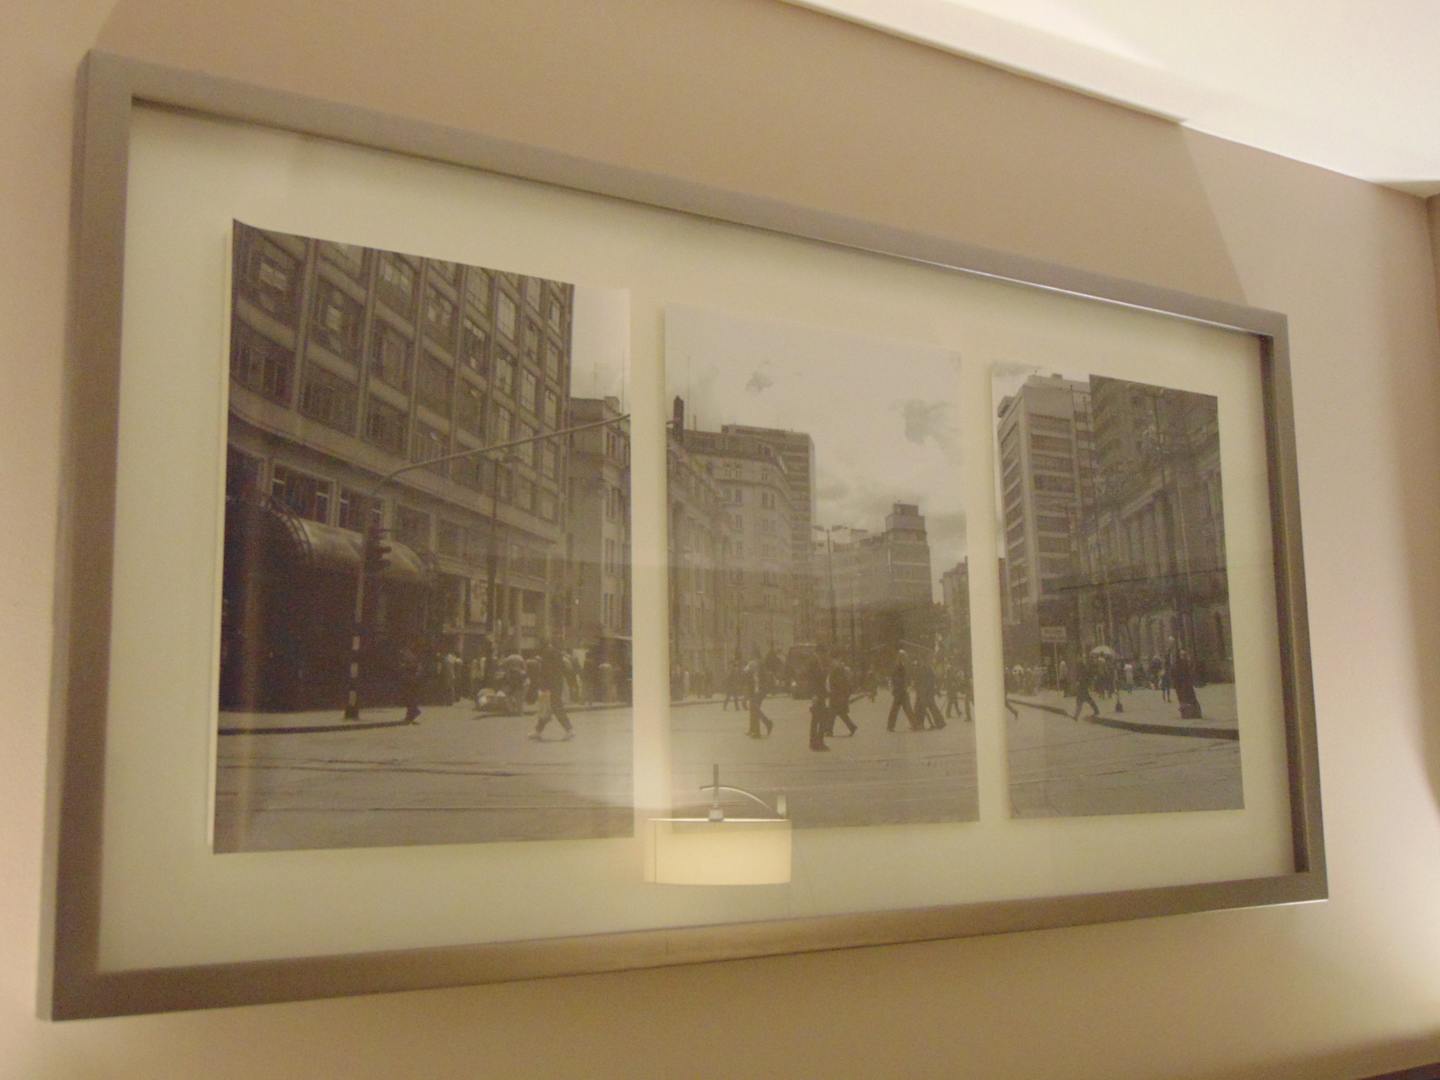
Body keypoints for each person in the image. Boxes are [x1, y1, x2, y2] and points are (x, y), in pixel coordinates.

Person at [532, 639, 574, 740]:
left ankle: (569, 729)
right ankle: (538, 731)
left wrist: (544, 685)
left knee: (554, 706)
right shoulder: (556, 652)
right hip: (557, 682)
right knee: (546, 707)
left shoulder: (547, 652)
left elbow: (546, 670)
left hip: (550, 684)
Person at [886, 650, 917, 731]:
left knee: (897, 709)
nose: (905, 659)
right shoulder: (899, 667)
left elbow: (894, 678)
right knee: (906, 709)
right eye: (904, 657)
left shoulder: (899, 666)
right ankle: (914, 724)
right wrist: (902, 686)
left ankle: (890, 726)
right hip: (901, 691)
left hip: (900, 691)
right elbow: (897, 679)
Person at [828, 655, 857, 736]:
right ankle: (852, 727)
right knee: (841, 713)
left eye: (834, 660)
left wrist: (835, 692)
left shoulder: (838, 670)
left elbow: (838, 683)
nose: (832, 662)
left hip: (837, 695)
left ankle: (829, 730)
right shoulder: (839, 669)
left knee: (832, 713)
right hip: (838, 695)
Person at [745, 655, 774, 738]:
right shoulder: (756, 666)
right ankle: (754, 729)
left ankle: (762, 727)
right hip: (757, 692)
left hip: (758, 692)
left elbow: (761, 682)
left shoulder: (756, 666)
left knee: (755, 709)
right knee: (753, 709)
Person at [913, 656, 945, 730]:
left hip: (926, 692)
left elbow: (929, 680)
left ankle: (920, 724)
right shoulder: (925, 668)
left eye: (921, 661)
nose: (920, 662)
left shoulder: (926, 669)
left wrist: (927, 690)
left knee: (926, 707)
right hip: (925, 691)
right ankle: (938, 722)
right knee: (923, 707)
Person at [396, 640, 424, 724]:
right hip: (411, 678)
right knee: (410, 697)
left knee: (410, 696)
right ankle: (412, 714)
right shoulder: (412, 655)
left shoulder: (411, 655)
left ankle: (412, 714)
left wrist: (405, 666)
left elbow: (414, 666)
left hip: (411, 679)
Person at [1072, 657, 1101, 722]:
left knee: (1082, 701)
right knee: (1086, 700)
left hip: (1082, 688)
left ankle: (1076, 716)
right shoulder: (1082, 670)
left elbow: (1084, 679)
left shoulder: (1083, 671)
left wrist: (1080, 682)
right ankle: (1076, 716)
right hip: (1082, 688)